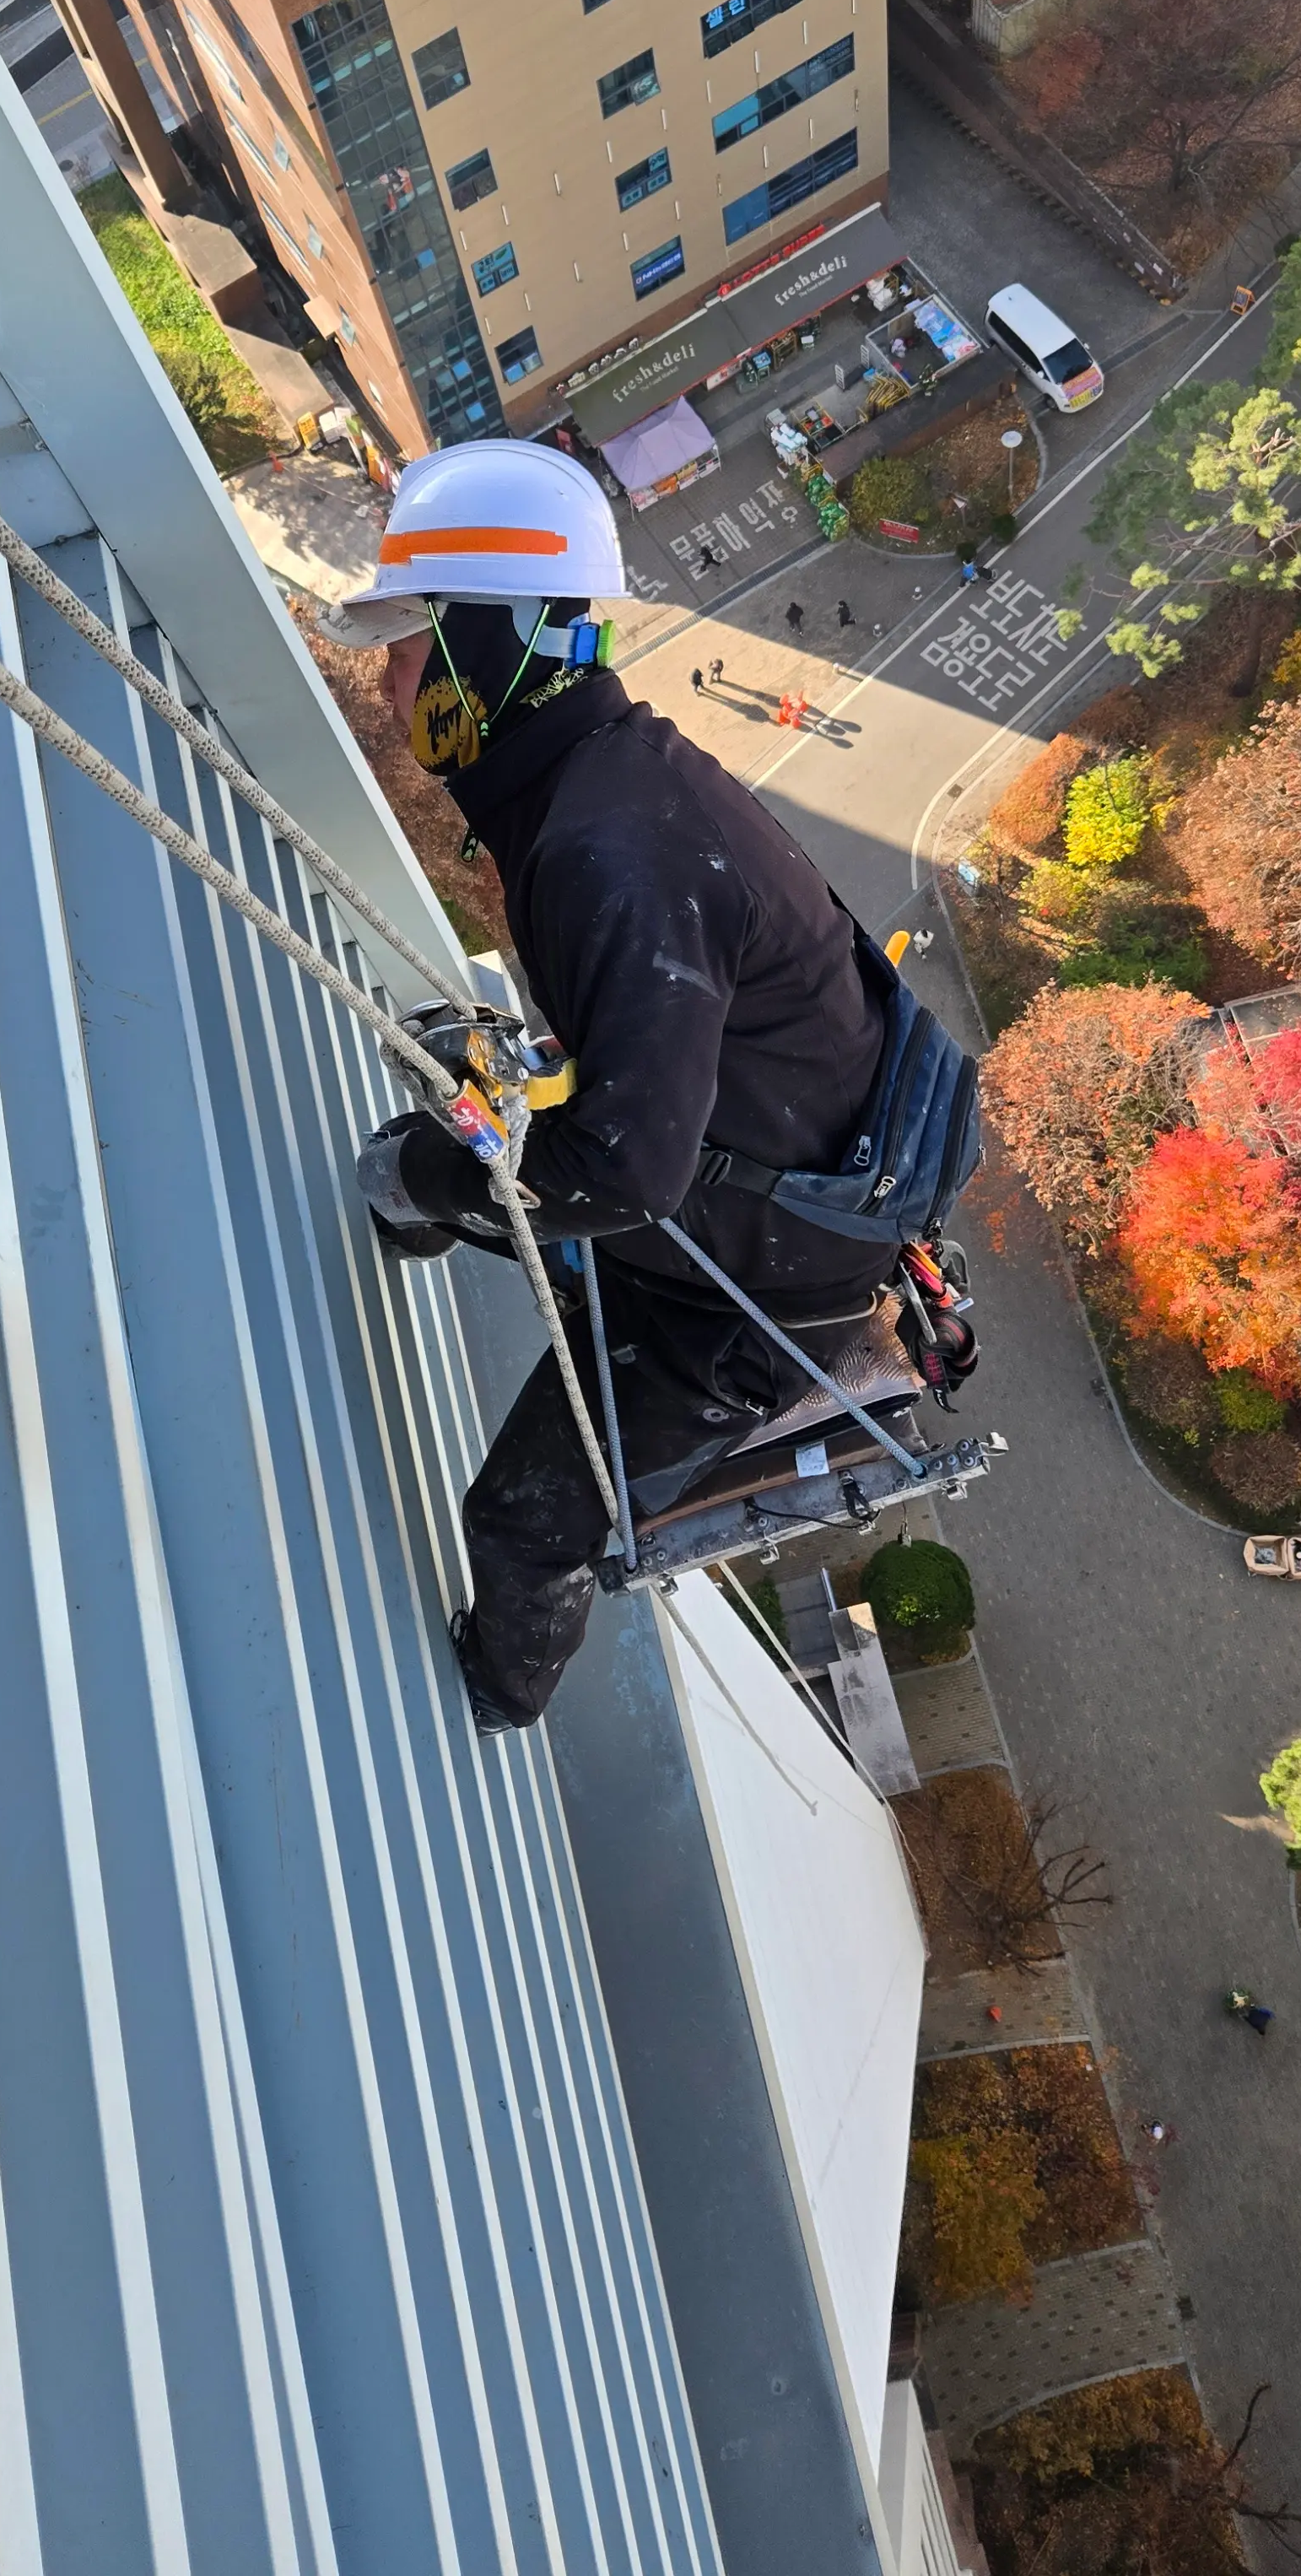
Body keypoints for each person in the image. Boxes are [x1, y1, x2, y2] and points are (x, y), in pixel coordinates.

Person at [320, 443, 981, 1735]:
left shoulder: (606, 845)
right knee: (450, 1131)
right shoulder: (603, 776)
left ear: (485, 650)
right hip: (763, 1166)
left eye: (409, 645)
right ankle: (414, 1206)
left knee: (516, 1522)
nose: (385, 675)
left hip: (754, 1283)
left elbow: (624, 1174)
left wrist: (424, 1175)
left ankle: (496, 1702)